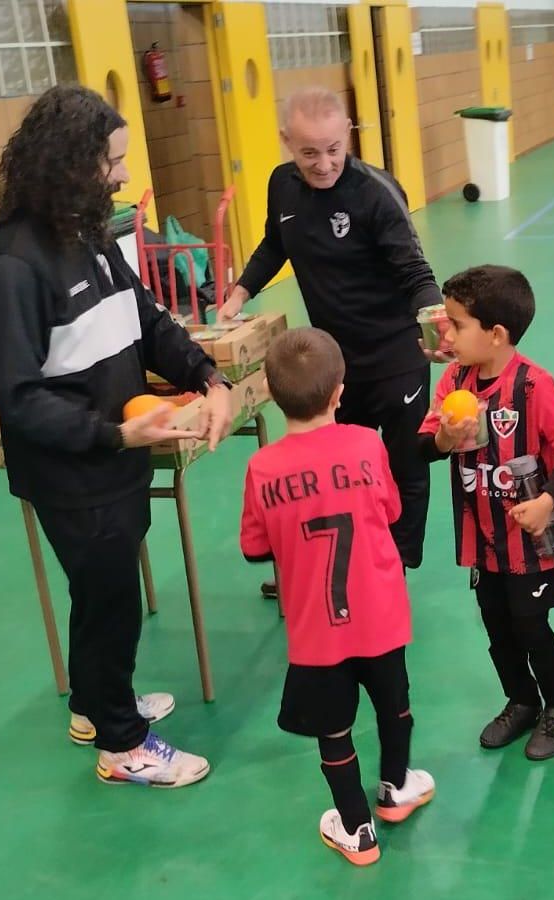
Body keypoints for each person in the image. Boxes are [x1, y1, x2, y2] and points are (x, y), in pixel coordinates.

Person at [0, 85, 233, 788]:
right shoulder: (14, 267)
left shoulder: (88, 233)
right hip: (73, 473)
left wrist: (210, 377)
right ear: (66, 162)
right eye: (109, 161)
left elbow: (148, 321)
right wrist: (116, 433)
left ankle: (95, 702)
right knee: (109, 599)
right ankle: (121, 744)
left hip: (118, 456)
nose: (121, 175)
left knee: (103, 595)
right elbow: (20, 399)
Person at [239, 328, 436, 867]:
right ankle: (395, 788)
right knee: (395, 707)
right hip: (381, 619)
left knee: (334, 729)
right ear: (338, 393)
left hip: (316, 632)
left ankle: (356, 830)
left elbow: (254, 546)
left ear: (272, 394)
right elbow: (392, 512)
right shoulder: (367, 444)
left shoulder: (262, 469)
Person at [222, 86, 441, 572]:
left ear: (348, 135)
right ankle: (354, 560)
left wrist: (435, 319)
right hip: (335, 366)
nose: (323, 163)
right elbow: (274, 244)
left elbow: (417, 274)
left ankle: (396, 567)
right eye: (308, 152)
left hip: (396, 358)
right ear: (286, 142)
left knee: (404, 466)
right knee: (340, 472)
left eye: (333, 149)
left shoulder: (376, 193)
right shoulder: (282, 185)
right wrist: (240, 293)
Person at [418, 265, 554, 761]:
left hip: (528, 541)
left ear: (496, 335)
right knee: (495, 625)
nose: (446, 333)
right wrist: (446, 437)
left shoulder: (534, 386)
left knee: (532, 626)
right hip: (483, 538)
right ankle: (521, 699)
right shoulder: (454, 378)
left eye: (456, 323)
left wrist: (546, 502)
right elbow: (426, 444)